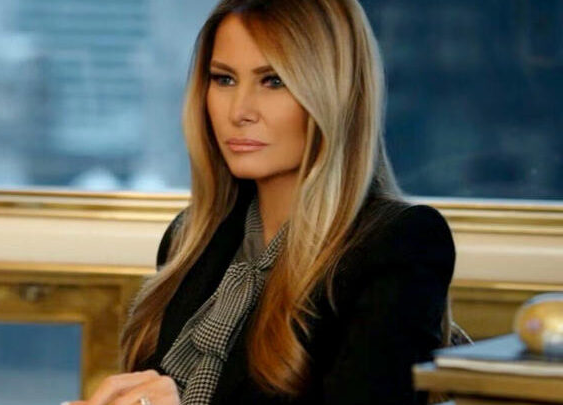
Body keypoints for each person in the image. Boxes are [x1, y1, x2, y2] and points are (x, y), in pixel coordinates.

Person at [64, 0, 456, 404]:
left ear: (334, 94)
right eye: (224, 79)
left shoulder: (398, 243)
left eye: (273, 81)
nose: (239, 111)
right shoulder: (190, 238)